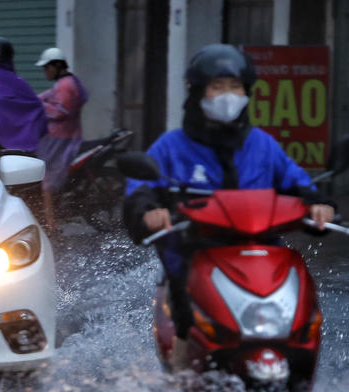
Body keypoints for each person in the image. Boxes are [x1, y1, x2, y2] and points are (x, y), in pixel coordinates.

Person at [123, 44, 334, 370]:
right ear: (198, 93)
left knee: (302, 297)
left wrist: (319, 204)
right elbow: (140, 189)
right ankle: (180, 368)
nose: (227, 95)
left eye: (235, 87)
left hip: (261, 250)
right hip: (194, 252)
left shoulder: (262, 144)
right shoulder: (172, 146)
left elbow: (299, 182)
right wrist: (147, 210)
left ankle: (301, 358)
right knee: (185, 302)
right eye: (217, 87)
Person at [33, 46, 88, 235]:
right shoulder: (69, 82)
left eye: (47, 68)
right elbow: (51, 97)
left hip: (61, 138)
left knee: (46, 182)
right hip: (65, 136)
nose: (45, 72)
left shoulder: (65, 85)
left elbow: (61, 111)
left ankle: (51, 224)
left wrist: (41, 105)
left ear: (56, 66)